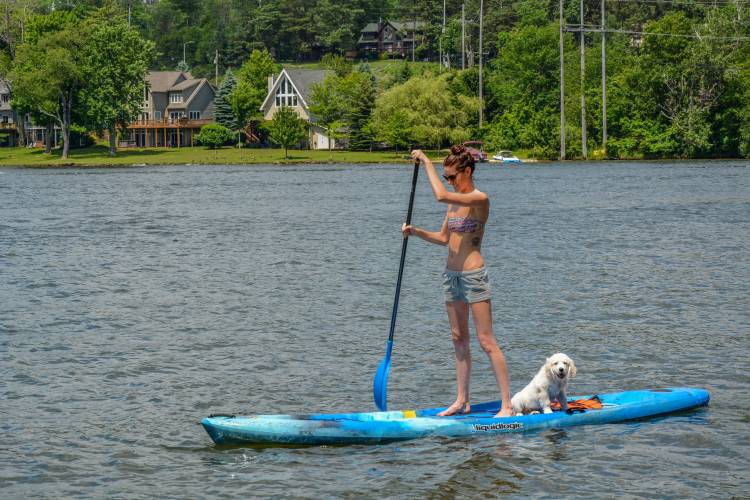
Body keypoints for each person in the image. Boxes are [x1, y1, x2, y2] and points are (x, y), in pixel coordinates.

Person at [403, 146, 513, 418]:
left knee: (486, 340)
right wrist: (415, 232)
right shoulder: (454, 203)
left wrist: (426, 161)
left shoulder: (479, 199)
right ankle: (462, 401)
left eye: (452, 176)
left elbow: (439, 195)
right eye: (446, 176)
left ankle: (507, 406)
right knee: (458, 338)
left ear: (468, 171)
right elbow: (444, 239)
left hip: (474, 276)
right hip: (450, 276)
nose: (449, 181)